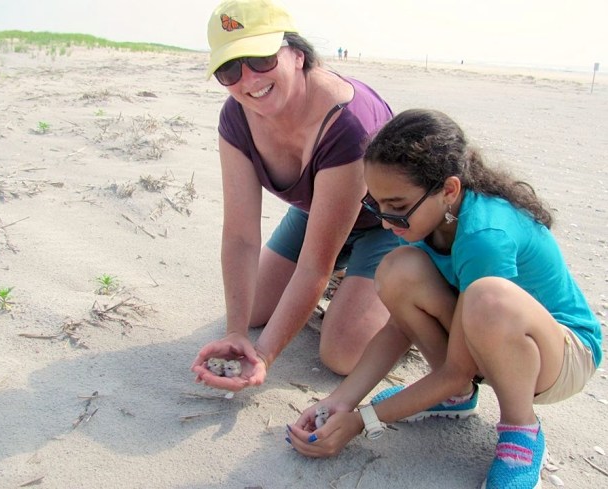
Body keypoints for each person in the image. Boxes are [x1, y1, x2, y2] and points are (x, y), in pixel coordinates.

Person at [287, 109, 602, 488]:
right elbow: (398, 328)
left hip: (561, 356)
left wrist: (362, 421)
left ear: (449, 190)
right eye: (377, 205)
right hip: (486, 336)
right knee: (397, 268)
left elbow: (457, 371)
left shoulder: (485, 234)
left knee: (487, 298)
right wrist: (339, 401)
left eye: (399, 208)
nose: (387, 222)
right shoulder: (430, 219)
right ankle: (458, 401)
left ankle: (521, 430)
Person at [190, 0, 399, 392]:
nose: (248, 79)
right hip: (314, 213)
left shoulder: (348, 124)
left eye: (261, 59)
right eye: (229, 68)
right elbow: (239, 235)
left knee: (342, 353)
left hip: (387, 224)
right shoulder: (236, 117)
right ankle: (352, 284)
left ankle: (411, 298)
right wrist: (237, 333)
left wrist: (264, 355)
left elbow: (313, 266)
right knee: (251, 309)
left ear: (297, 54)